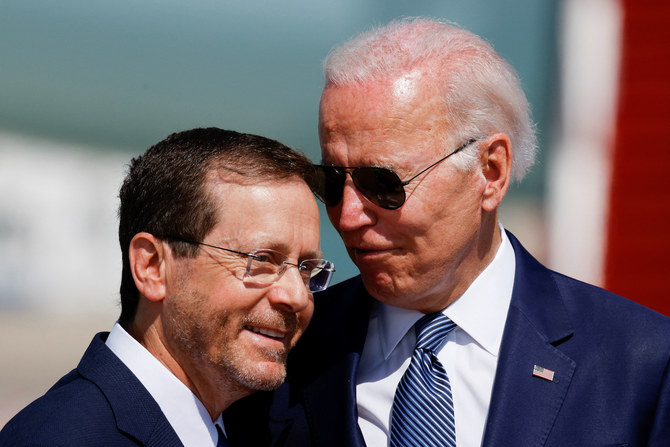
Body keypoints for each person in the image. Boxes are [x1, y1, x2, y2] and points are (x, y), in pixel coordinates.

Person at [224, 18, 670, 446]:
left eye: (383, 184)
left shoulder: (639, 360)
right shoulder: (281, 350)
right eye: (332, 183)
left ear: (490, 172)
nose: (347, 217)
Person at [0, 127, 335, 446]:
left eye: (307, 269)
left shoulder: (245, 430)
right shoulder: (63, 438)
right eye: (261, 260)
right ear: (152, 267)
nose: (296, 296)